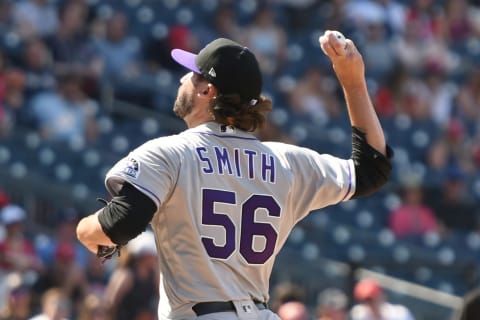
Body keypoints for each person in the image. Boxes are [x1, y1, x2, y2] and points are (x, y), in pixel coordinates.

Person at [77, 31, 393, 319]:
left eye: (191, 75)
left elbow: (121, 223)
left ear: (206, 91)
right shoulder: (288, 161)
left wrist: (86, 230)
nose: (183, 79)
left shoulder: (170, 153)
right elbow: (370, 170)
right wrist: (354, 82)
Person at [350, 278, 414, 320]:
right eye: (366, 300)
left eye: (371, 299)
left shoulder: (400, 313)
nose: (370, 303)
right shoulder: (359, 315)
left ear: (381, 295)